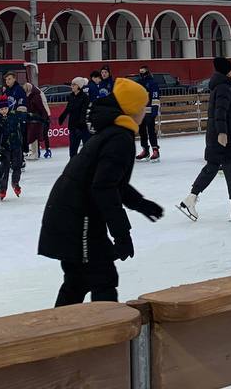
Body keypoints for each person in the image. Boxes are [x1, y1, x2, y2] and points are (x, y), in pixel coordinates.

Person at [38, 78, 164, 305]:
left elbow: (112, 183)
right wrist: (122, 235)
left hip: (69, 214)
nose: (144, 113)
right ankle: (104, 334)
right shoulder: (119, 138)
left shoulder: (112, 133)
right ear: (131, 110)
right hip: (78, 218)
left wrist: (141, 204)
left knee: (78, 280)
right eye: (141, 108)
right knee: (101, 277)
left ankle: (59, 331)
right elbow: (104, 189)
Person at [178, 57, 231, 221]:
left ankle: (191, 198)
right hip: (224, 135)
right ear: (227, 71)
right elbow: (220, 111)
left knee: (212, 167)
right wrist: (223, 133)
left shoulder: (219, 88)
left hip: (215, 134)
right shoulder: (224, 89)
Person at [0, 94, 26, 200]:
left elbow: (27, 117)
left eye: (5, 108)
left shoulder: (14, 115)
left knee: (17, 166)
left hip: (16, 146)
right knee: (4, 168)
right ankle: (2, 189)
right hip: (4, 148)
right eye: (1, 109)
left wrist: (41, 119)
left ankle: (15, 183)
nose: (4, 111)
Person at [132, 66, 161, 161]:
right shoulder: (138, 83)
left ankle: (155, 150)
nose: (141, 74)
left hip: (149, 111)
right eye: (140, 72)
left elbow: (155, 97)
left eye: (143, 72)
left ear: (147, 72)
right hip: (140, 111)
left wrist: (154, 110)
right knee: (142, 131)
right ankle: (145, 150)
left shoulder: (152, 83)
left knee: (151, 131)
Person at [59, 77, 91, 157]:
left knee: (87, 149)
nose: (72, 86)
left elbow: (83, 112)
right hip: (73, 126)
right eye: (71, 84)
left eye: (74, 85)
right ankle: (73, 166)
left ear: (79, 86)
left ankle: (88, 166)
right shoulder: (71, 96)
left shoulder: (84, 97)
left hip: (82, 127)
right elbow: (68, 108)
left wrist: (80, 125)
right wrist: (62, 116)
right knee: (73, 149)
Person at [23, 82, 51, 160]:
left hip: (40, 118)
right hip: (34, 118)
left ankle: (44, 150)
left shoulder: (37, 95)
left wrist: (45, 118)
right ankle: (36, 151)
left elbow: (42, 107)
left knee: (41, 134)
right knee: (34, 135)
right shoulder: (30, 95)